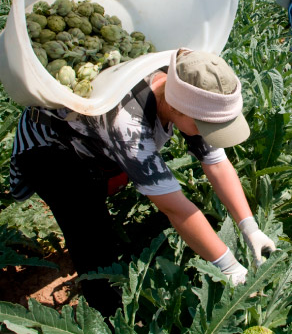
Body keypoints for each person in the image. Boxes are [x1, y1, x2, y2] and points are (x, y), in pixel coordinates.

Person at [9, 48, 276, 317]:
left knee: (103, 195)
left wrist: (250, 227)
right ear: (174, 106)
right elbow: (175, 207)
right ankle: (107, 312)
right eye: (204, 125)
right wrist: (228, 266)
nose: (207, 133)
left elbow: (217, 163)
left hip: (93, 139)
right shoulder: (127, 122)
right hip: (49, 149)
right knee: (91, 234)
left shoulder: (185, 85)